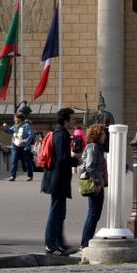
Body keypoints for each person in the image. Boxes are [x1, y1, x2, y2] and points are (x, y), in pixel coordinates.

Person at [42, 107, 79, 256]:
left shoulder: (60, 133)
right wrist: (75, 161)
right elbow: (62, 158)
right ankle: (51, 245)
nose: (74, 121)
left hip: (56, 179)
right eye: (72, 119)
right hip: (57, 179)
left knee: (60, 212)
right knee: (56, 212)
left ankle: (59, 243)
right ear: (66, 120)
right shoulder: (61, 135)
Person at [79, 124, 107, 249]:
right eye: (103, 134)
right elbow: (90, 166)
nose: (105, 136)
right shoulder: (93, 147)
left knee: (94, 214)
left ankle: (86, 242)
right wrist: (98, 182)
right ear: (97, 135)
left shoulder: (96, 147)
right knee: (93, 214)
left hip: (96, 182)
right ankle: (85, 243)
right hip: (94, 184)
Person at [2, 113, 34, 181]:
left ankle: (30, 175)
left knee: (27, 162)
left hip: (24, 146)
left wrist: (24, 141)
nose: (14, 119)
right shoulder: (15, 126)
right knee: (13, 161)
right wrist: (5, 128)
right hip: (15, 145)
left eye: (15, 118)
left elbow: (31, 135)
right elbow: (10, 131)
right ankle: (12, 176)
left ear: (20, 118)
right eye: (14, 118)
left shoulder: (26, 125)